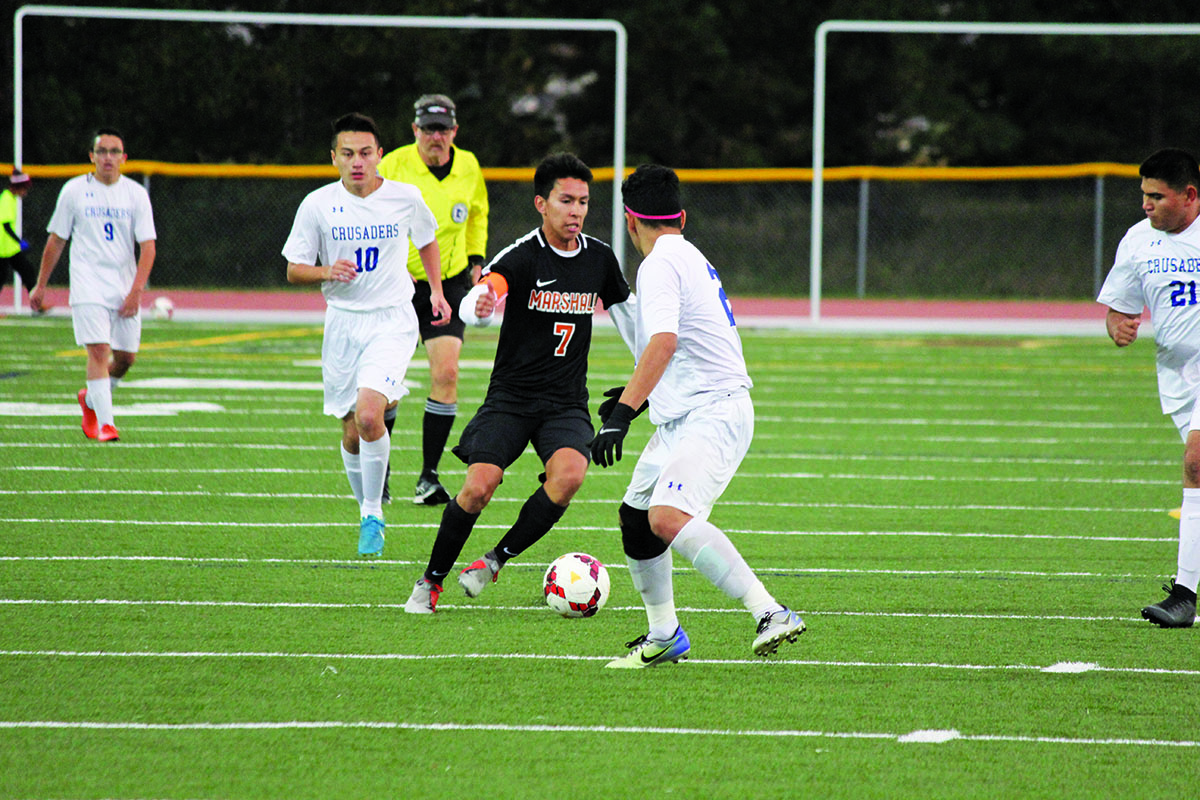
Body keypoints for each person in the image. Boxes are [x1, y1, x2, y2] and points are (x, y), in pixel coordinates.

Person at [589, 164, 806, 666]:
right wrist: (636, 397)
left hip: (712, 412)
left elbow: (666, 342)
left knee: (666, 517)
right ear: (681, 216)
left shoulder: (659, 263)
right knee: (637, 519)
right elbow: (685, 349)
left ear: (629, 220)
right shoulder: (688, 254)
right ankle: (664, 634)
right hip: (688, 412)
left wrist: (622, 413)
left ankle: (770, 611)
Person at [403, 152, 634, 614]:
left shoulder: (600, 259)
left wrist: (655, 364)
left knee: (569, 477)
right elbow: (483, 294)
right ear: (540, 203)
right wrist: (480, 305)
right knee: (478, 487)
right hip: (511, 398)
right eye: (566, 200)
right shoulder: (523, 254)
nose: (576, 211)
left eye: (584, 202)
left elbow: (631, 318)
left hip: (566, 402)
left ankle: (494, 561)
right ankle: (430, 582)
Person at [282, 112, 451, 558]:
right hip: (342, 323)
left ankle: (373, 513)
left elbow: (428, 240)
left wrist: (435, 289)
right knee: (352, 430)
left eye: (365, 153)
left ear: (379, 155)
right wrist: (325, 271)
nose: (357, 162)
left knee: (370, 415)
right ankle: (365, 509)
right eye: (348, 154)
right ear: (333, 157)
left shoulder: (405, 197)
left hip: (392, 320)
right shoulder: (317, 204)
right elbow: (293, 269)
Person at [1098, 146, 1200, 629]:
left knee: (1196, 465)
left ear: (1189, 196)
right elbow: (1120, 306)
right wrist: (1117, 324)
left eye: (1156, 197)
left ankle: (1183, 596)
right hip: (1180, 381)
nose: (1145, 205)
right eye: (1143, 195)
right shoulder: (1139, 240)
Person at [378, 93, 489, 506]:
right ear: (415, 130)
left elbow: (478, 214)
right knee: (387, 379)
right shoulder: (393, 166)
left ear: (454, 132)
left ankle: (428, 476)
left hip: (452, 282)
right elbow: (372, 216)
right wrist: (390, 263)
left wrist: (477, 258)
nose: (435, 136)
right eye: (428, 129)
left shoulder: (469, 166)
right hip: (398, 284)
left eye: (443, 129)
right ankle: (380, 471)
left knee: (447, 374)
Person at [30, 128, 157, 442]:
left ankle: (90, 399)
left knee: (125, 359)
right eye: (102, 152)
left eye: (115, 152)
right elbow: (57, 240)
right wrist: (40, 285)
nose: (108, 158)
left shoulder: (135, 194)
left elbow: (148, 247)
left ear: (124, 159)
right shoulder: (74, 191)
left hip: (123, 286)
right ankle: (106, 424)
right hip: (87, 284)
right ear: (92, 157)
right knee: (99, 350)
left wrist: (136, 291)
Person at [1, 170, 43, 311]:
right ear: (17, 187)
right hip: (3, 248)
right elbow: (5, 225)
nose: (25, 192)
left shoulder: (11, 199)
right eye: (24, 188)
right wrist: (19, 241)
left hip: (10, 249)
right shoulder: (6, 199)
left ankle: (37, 306)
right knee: (2, 278)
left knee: (28, 271)